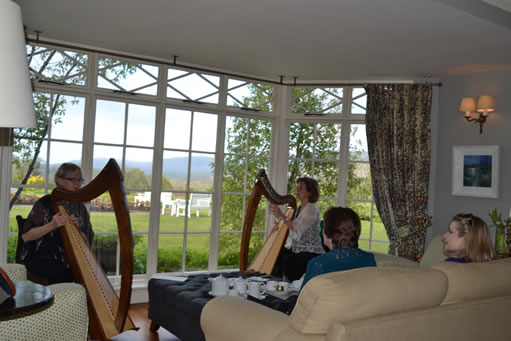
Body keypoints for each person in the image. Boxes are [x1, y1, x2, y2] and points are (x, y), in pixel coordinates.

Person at [273, 206, 376, 315]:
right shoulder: (369, 259)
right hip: (356, 316)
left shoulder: (318, 264)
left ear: (328, 234)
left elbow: (302, 305)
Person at [20, 163, 94, 284]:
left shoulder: (79, 206)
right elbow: (26, 236)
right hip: (41, 257)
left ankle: (78, 302)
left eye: (80, 180)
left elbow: (87, 242)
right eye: (73, 180)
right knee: (62, 273)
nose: (78, 184)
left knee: (96, 269)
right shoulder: (44, 203)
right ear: (59, 180)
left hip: (70, 258)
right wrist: (51, 225)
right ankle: (62, 302)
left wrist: (77, 230)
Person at [269, 177, 325, 281]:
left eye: (301, 188)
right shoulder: (298, 209)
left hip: (311, 252)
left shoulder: (312, 210)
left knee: (288, 260)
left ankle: (290, 289)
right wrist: (278, 227)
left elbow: (298, 229)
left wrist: (281, 216)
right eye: (297, 187)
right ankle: (276, 286)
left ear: (310, 192)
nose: (297, 190)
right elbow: (290, 228)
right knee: (277, 254)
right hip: (297, 249)